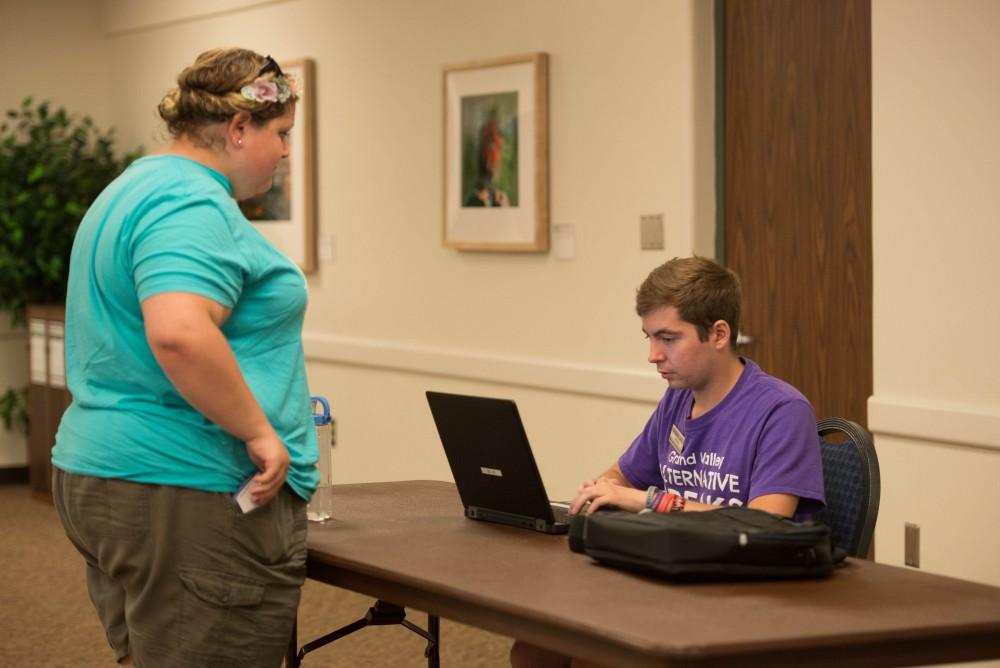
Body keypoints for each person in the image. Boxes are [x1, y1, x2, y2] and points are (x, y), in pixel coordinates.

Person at [50, 48, 318, 668]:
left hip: (107, 469)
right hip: (185, 483)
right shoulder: (190, 202)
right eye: (280, 134)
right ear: (238, 128)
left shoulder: (134, 187)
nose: (285, 152)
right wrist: (262, 435)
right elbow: (178, 332)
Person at [510, 256, 825, 668]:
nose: (653, 355)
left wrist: (649, 502)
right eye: (649, 338)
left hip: (745, 597)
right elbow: (624, 475)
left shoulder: (781, 410)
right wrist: (598, 492)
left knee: (599, 656)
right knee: (536, 645)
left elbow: (766, 525)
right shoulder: (679, 397)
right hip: (674, 576)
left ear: (718, 334)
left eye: (668, 338)